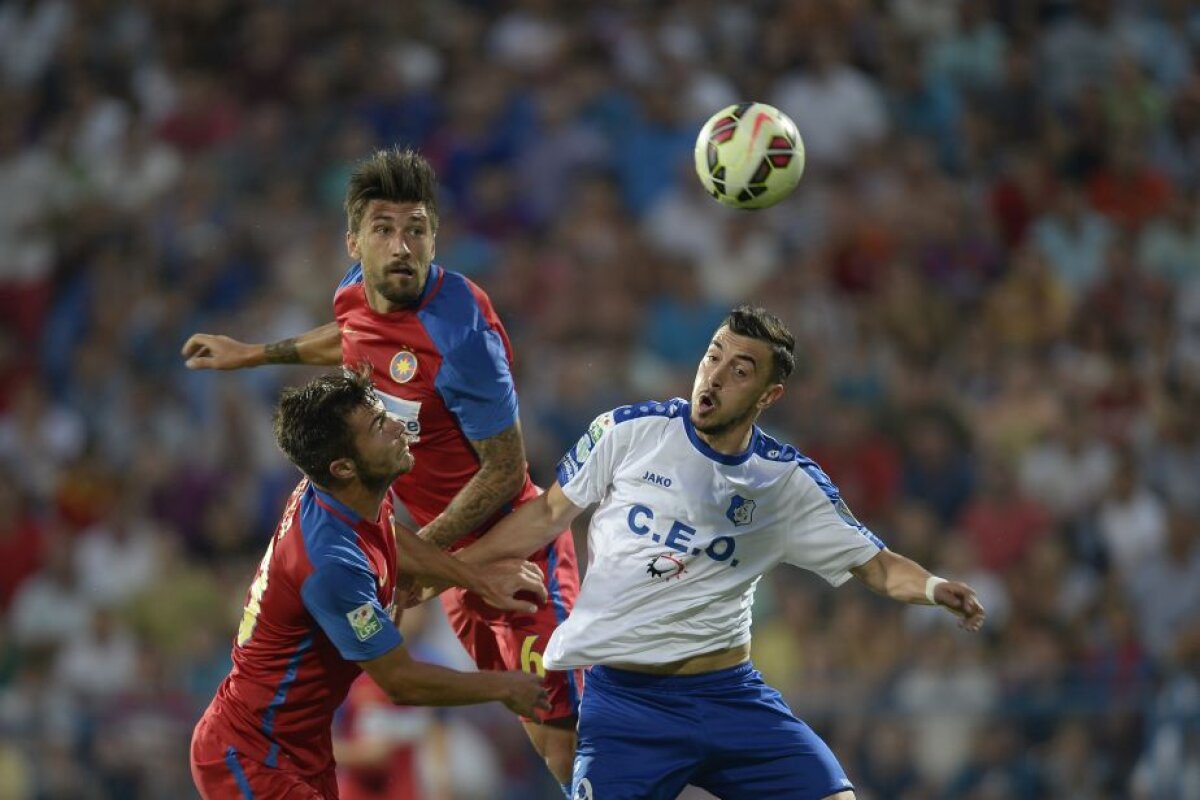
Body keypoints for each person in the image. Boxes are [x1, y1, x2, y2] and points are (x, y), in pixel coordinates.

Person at [456, 306, 987, 800]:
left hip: (731, 697)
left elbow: (877, 566)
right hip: (625, 704)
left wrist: (936, 588)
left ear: (768, 395)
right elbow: (547, 515)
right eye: (713, 356)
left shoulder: (786, 483)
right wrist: (447, 572)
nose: (714, 375)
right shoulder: (630, 432)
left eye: (740, 370)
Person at [181, 148, 581, 791]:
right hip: (437, 558)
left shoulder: (462, 336)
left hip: (509, 544)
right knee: (543, 725)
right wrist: (254, 354)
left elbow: (505, 472)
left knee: (566, 739)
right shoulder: (352, 296)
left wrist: (428, 568)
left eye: (417, 229)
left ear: (435, 237)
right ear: (354, 241)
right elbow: (349, 336)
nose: (402, 246)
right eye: (384, 229)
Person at [189, 370, 551, 800]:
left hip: (302, 750)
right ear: (343, 466)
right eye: (380, 426)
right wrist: (504, 687)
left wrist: (472, 577)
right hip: (250, 757)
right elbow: (400, 680)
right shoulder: (330, 565)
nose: (399, 427)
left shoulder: (346, 493)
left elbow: (388, 537)